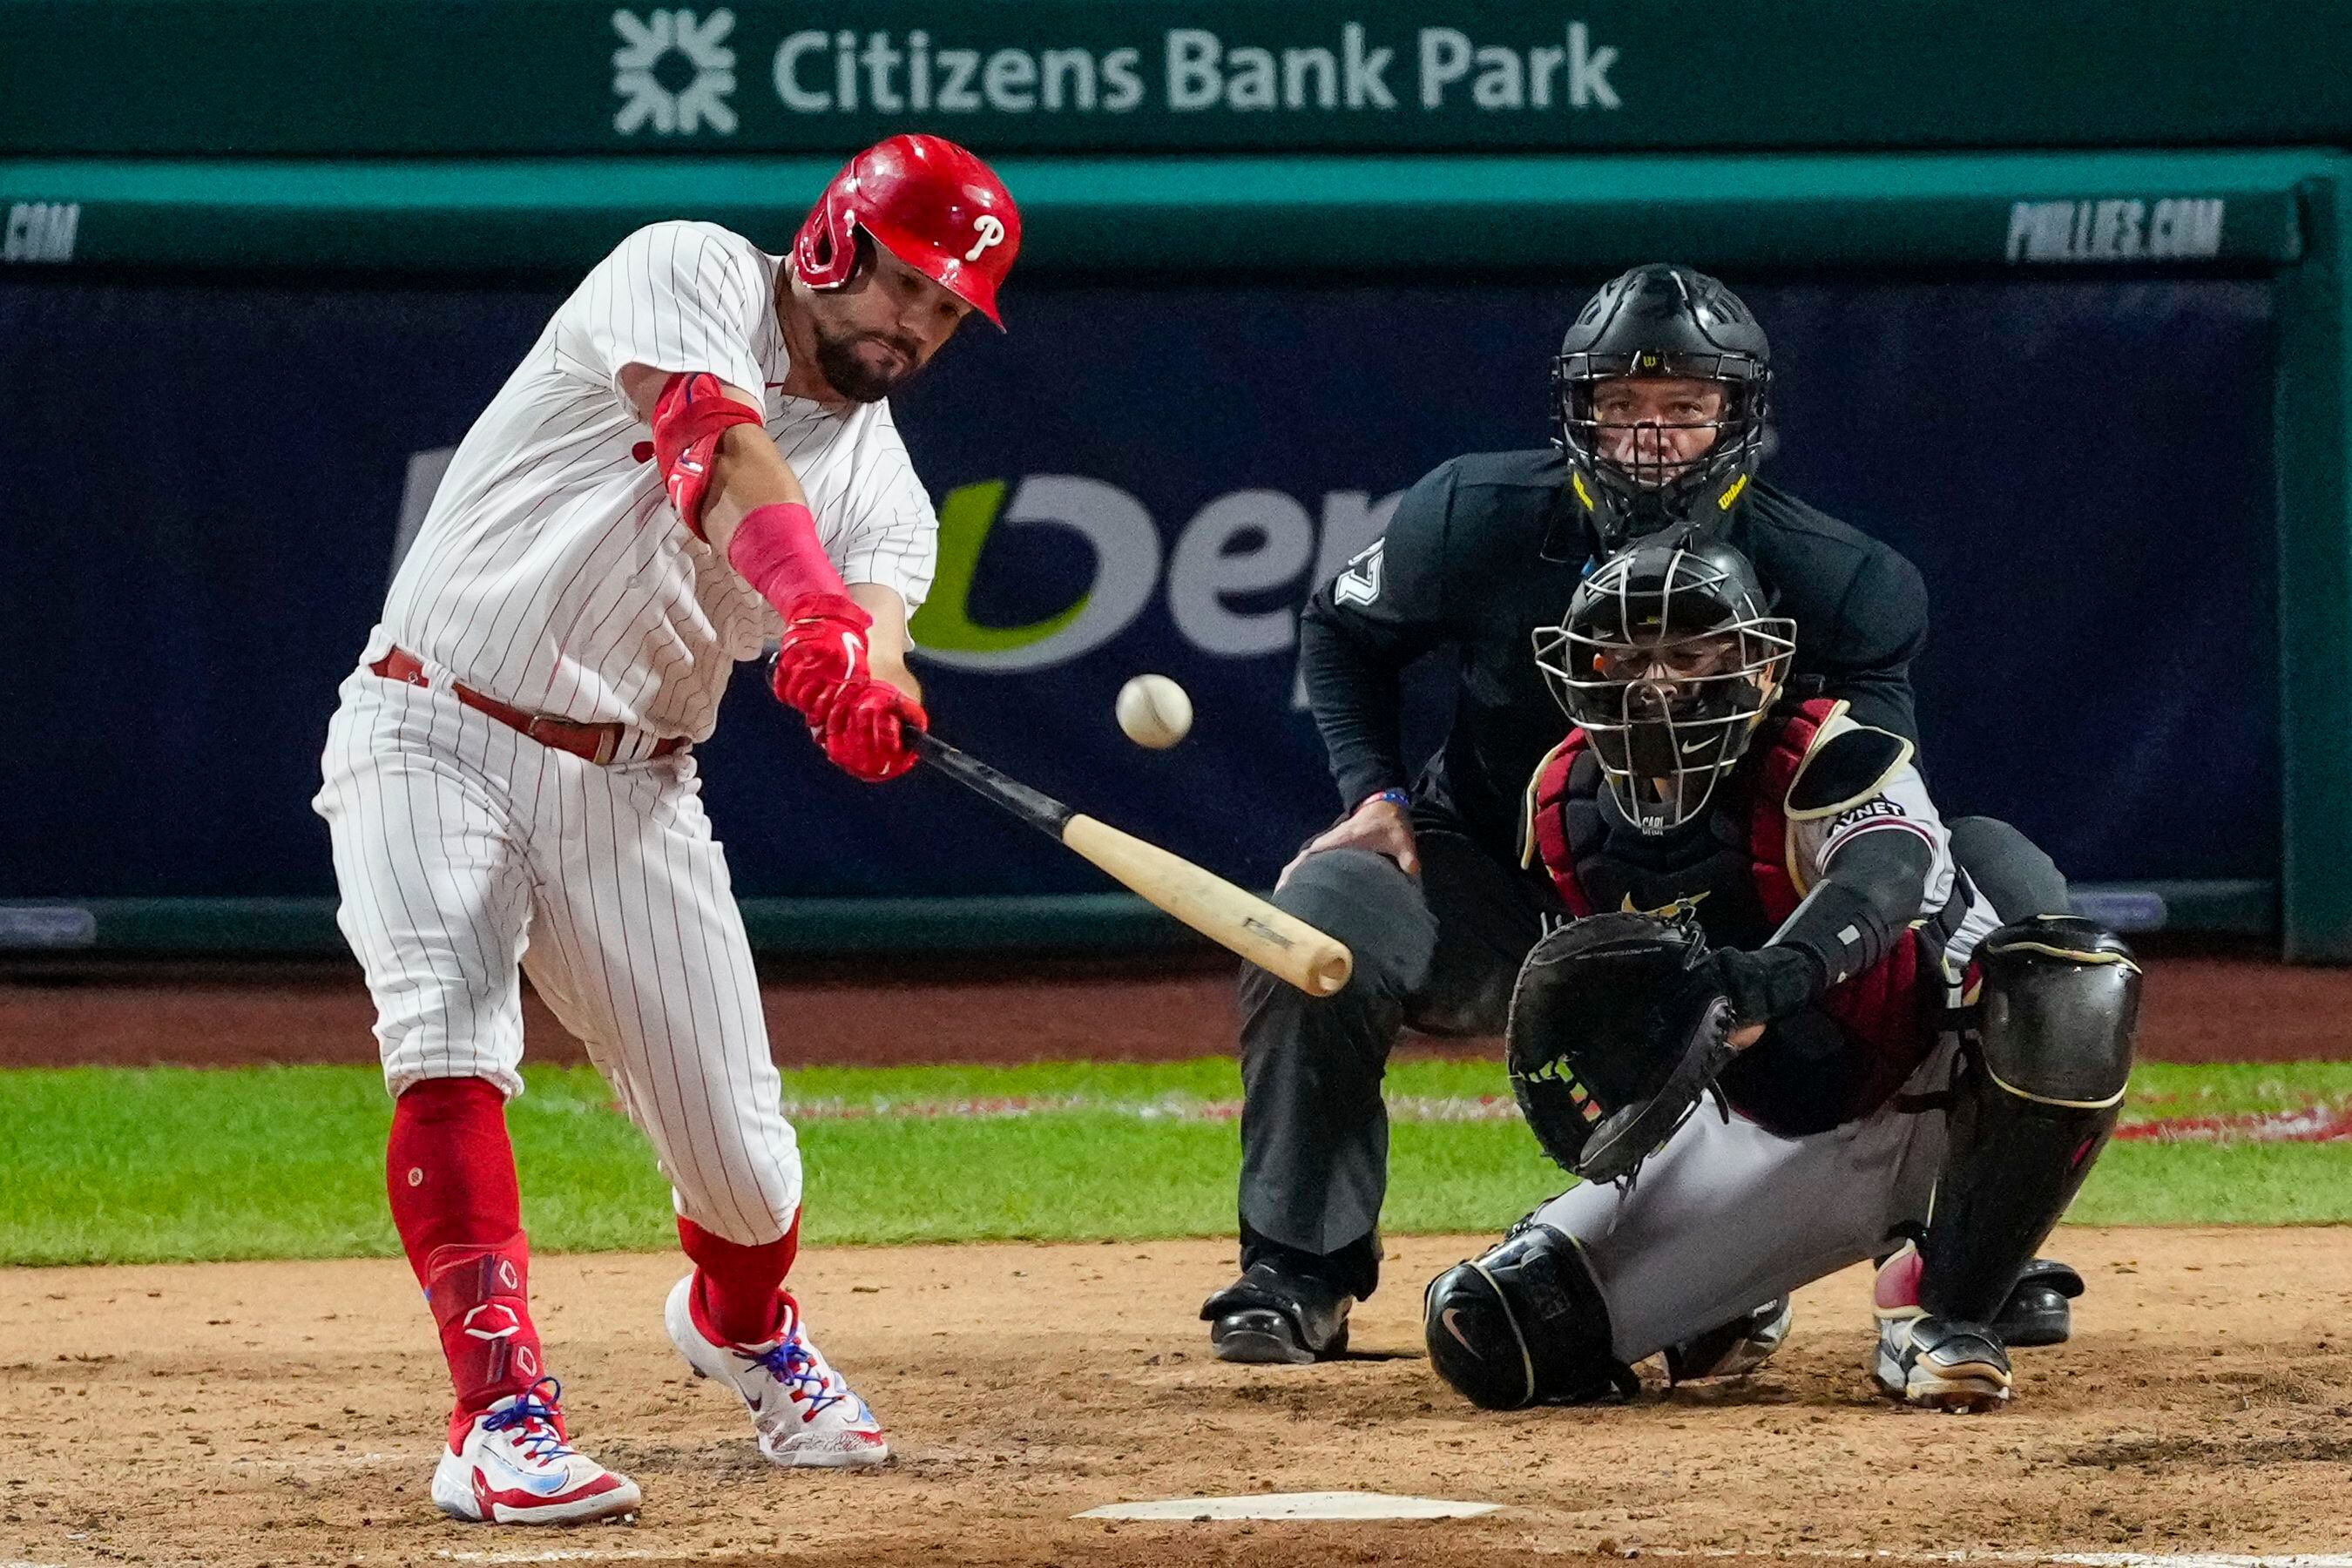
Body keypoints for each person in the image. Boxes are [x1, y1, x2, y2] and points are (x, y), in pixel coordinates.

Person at [312, 134, 1018, 1524]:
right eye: (903, 284)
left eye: (946, 312)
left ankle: (747, 1327)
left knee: (747, 1172)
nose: (914, 326)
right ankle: (499, 1416)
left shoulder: (886, 491)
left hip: (634, 787)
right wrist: (807, 607)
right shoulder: (686, 266)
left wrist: (864, 691)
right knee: (448, 1031)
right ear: (831, 244)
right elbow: (715, 437)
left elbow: (876, 630)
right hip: (429, 721)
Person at [1203, 261, 2071, 1364]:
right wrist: (1371, 796)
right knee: (1319, 911)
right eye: (1621, 408)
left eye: (1683, 408)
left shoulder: (1844, 581)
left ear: (1738, 418)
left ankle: (1979, 1246)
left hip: (1738, 910)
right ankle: (1296, 1272)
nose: (1650, 437)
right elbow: (1342, 629)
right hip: (1512, 882)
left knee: (2014, 902)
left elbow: (1886, 818)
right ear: (1578, 415)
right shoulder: (1471, 514)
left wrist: (1780, 968)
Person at [1421, 538, 2137, 1412]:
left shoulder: (1834, 754)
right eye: (1628, 657)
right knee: (1493, 1331)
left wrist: (1774, 976)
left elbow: (1886, 878)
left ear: (1758, 669)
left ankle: (1945, 1300)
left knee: (2074, 987)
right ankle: (1740, 1296)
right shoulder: (1563, 802)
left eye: (1687, 655)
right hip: (1776, 1124)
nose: (1655, 686)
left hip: (1932, 1085)